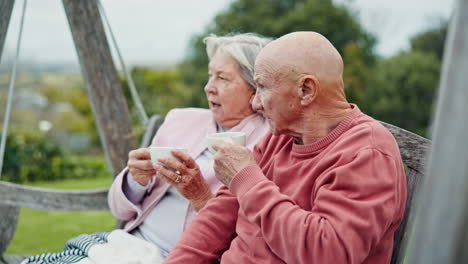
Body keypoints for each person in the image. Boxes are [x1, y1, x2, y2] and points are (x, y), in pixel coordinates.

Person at [164, 31, 407, 264]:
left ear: (306, 90)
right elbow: (217, 218)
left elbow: (326, 253)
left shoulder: (367, 153)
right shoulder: (280, 136)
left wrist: (246, 180)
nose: (255, 102)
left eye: (263, 87)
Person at [108, 33, 271, 258]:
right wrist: (136, 180)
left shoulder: (272, 142)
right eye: (210, 76)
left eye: (222, 78)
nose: (208, 87)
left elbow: (256, 236)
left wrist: (201, 197)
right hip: (132, 245)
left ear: (255, 89)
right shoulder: (180, 120)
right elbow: (119, 209)